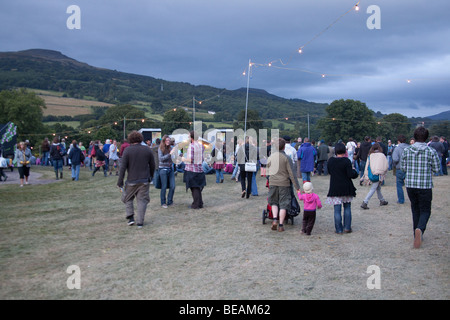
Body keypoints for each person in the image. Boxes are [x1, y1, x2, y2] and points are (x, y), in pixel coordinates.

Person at [400, 127, 440, 248]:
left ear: (415, 137)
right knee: (425, 210)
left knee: (415, 209)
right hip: (424, 185)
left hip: (411, 185)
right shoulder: (431, 151)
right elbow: (437, 169)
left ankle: (416, 234)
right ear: (427, 138)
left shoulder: (407, 151)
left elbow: (403, 168)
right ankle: (420, 229)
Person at [117, 131, 156, 228]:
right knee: (142, 201)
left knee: (127, 198)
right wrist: (151, 176)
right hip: (144, 180)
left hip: (131, 180)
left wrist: (120, 181)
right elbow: (152, 165)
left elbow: (123, 167)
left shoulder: (127, 150)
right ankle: (140, 222)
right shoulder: (147, 150)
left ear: (130, 139)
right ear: (140, 139)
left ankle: (130, 217)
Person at [266, 138, 301, 232]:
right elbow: (292, 174)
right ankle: (281, 224)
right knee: (283, 204)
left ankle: (274, 220)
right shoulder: (287, 158)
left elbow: (267, 171)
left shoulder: (270, 157)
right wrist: (297, 187)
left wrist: (269, 179)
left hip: (273, 182)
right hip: (284, 184)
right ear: (284, 147)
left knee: (273, 202)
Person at [326, 143, 359, 234]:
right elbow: (351, 175)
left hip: (335, 187)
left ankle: (339, 229)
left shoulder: (331, 161)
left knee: (337, 209)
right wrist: (355, 172)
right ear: (345, 151)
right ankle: (347, 227)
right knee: (347, 207)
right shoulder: (346, 161)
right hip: (346, 187)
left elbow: (330, 172)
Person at [181, 131, 206, 209]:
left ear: (191, 138)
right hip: (199, 169)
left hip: (192, 170)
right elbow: (201, 158)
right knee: (197, 187)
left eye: (189, 136)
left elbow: (191, 160)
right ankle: (200, 203)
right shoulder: (201, 146)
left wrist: (183, 159)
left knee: (194, 188)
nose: (188, 138)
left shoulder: (191, 146)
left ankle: (195, 204)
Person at [360, 143, 389, 209]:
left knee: (377, 188)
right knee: (373, 188)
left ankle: (382, 200)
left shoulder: (370, 156)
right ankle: (365, 202)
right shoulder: (382, 155)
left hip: (372, 174)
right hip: (379, 174)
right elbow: (386, 165)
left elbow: (367, 166)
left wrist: (365, 175)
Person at [158, 135, 176, 208]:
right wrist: (170, 154)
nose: (168, 141)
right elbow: (161, 159)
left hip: (170, 169)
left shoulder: (171, 148)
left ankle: (170, 201)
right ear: (163, 141)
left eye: (169, 140)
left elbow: (173, 158)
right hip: (163, 169)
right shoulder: (160, 149)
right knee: (164, 186)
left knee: (172, 186)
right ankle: (163, 202)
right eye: (166, 140)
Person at [391, 135, 409, 204]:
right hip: (409, 169)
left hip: (400, 168)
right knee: (409, 185)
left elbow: (395, 159)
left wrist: (395, 164)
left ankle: (401, 200)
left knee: (399, 185)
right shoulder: (409, 148)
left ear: (398, 141)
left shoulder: (397, 149)